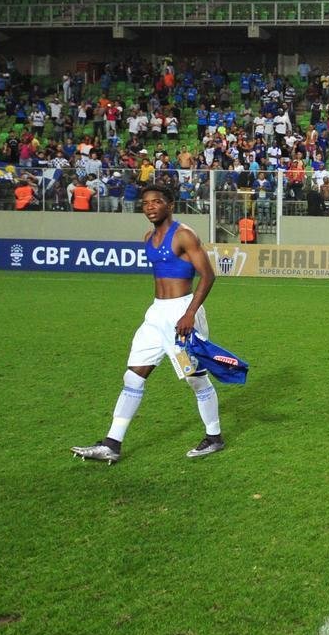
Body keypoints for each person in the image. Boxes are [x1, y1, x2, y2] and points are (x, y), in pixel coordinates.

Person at [71, 184, 225, 463]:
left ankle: (214, 436)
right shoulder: (148, 238)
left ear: (170, 204)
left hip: (182, 316)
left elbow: (208, 276)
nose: (150, 207)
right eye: (145, 203)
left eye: (156, 202)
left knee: (195, 379)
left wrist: (190, 314)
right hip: (156, 316)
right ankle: (112, 443)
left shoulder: (184, 235)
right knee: (133, 377)